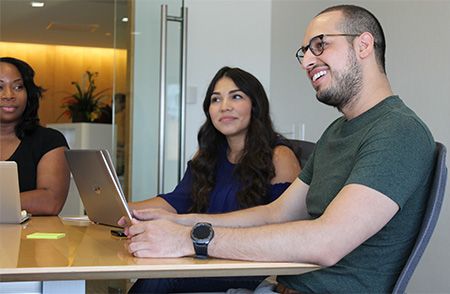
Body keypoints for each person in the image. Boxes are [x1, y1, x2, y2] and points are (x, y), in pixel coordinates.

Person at [123, 5, 436, 293]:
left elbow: (326, 242)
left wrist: (192, 240)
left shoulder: (398, 131)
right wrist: (182, 222)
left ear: (363, 45)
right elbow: (277, 213)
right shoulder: (337, 132)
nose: (308, 61)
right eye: (305, 52)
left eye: (320, 45)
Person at [125, 66, 301, 292]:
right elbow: (177, 201)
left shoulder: (279, 156)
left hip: (247, 263)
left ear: (255, 106)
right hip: (203, 255)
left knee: (157, 280)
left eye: (236, 97)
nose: (224, 106)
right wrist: (126, 208)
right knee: (153, 268)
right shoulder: (207, 156)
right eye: (216, 99)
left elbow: (286, 224)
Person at [0, 57, 70, 215]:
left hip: (31, 238)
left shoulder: (49, 141)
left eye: (18, 87)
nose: (9, 95)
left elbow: (51, 201)